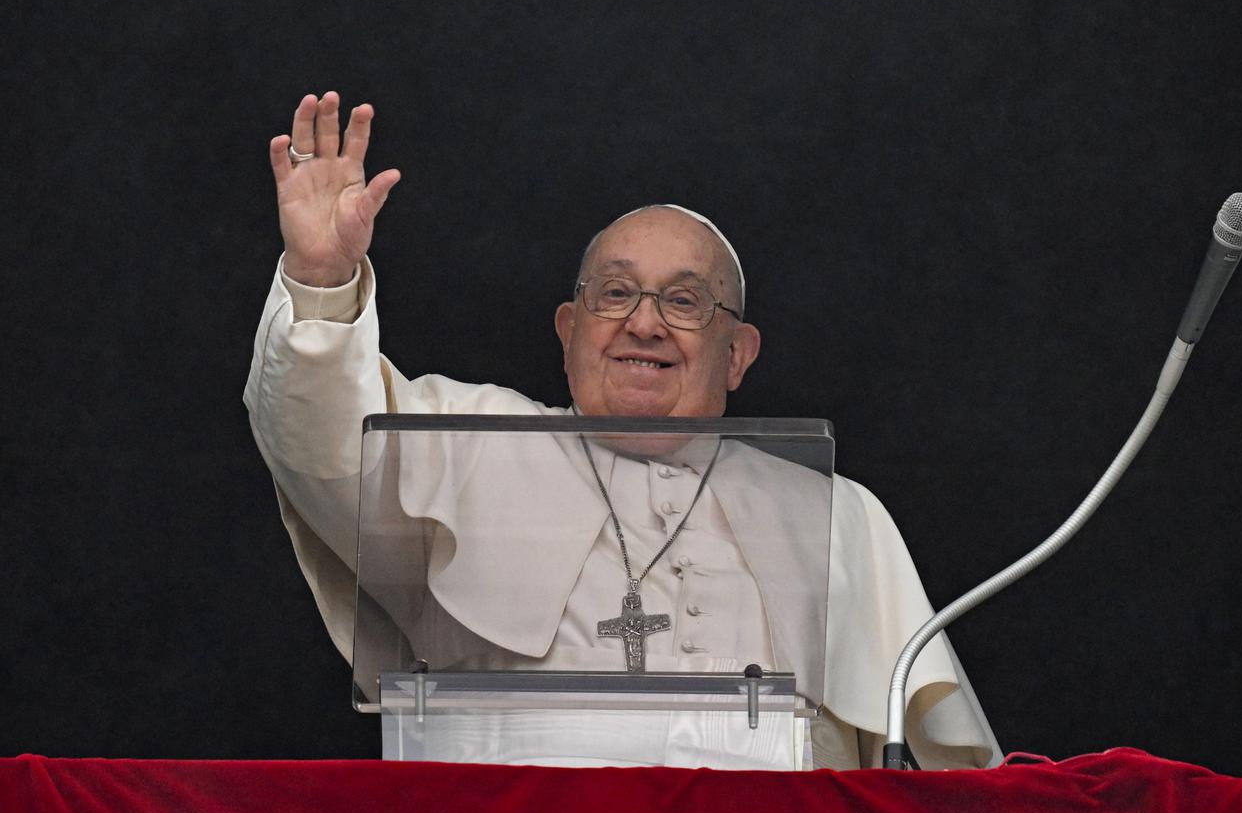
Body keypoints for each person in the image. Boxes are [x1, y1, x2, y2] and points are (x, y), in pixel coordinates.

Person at [247, 91, 1000, 769]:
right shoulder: (460, 442)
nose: (644, 322)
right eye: (616, 293)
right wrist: (320, 280)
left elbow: (938, 783)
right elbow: (319, 446)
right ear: (570, 331)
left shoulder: (843, 520)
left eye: (684, 300)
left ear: (737, 355)